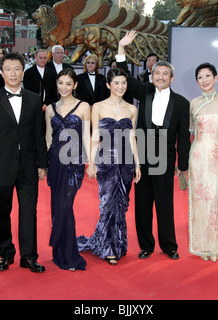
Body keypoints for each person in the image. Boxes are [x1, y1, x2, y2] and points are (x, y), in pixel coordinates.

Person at [116, 31, 190, 260]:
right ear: (152, 75)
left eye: (165, 74)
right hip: (142, 152)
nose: (160, 77)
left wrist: (183, 165)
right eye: (157, 73)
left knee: (165, 203)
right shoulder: (145, 91)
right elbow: (124, 77)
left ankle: (169, 246)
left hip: (165, 157)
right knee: (143, 202)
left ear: (171, 78)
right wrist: (121, 49)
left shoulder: (181, 103)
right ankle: (146, 245)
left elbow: (184, 136)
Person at [0, 52, 48, 273]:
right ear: (2, 72)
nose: (13, 73)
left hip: (27, 166)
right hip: (1, 165)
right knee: (1, 212)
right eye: (8, 69)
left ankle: (29, 256)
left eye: (17, 69)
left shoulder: (34, 99)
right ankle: (6, 254)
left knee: (28, 212)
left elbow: (39, 134)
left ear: (23, 72)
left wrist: (42, 163)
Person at [78, 68, 141, 266]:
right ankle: (108, 247)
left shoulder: (132, 109)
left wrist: (137, 165)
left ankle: (117, 244)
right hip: (105, 161)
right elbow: (94, 135)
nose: (120, 87)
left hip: (126, 163)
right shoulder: (97, 106)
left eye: (124, 83)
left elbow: (132, 138)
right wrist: (91, 162)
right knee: (107, 204)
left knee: (120, 205)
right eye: (116, 83)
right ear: (108, 85)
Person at [45, 68, 91, 271]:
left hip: (74, 163)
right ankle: (62, 253)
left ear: (75, 85)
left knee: (65, 205)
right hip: (55, 162)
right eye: (60, 83)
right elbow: (48, 138)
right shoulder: (50, 108)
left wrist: (91, 163)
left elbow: (87, 136)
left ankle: (68, 252)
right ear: (57, 83)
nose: (64, 87)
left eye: (68, 84)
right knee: (58, 208)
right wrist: (45, 164)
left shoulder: (83, 107)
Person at [188, 63, 218, 262]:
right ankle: (199, 247)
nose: (204, 80)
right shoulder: (193, 104)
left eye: (208, 76)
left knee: (214, 201)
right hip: (198, 156)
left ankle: (213, 247)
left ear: (216, 78)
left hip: (217, 158)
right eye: (200, 77)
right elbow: (190, 131)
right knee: (199, 201)